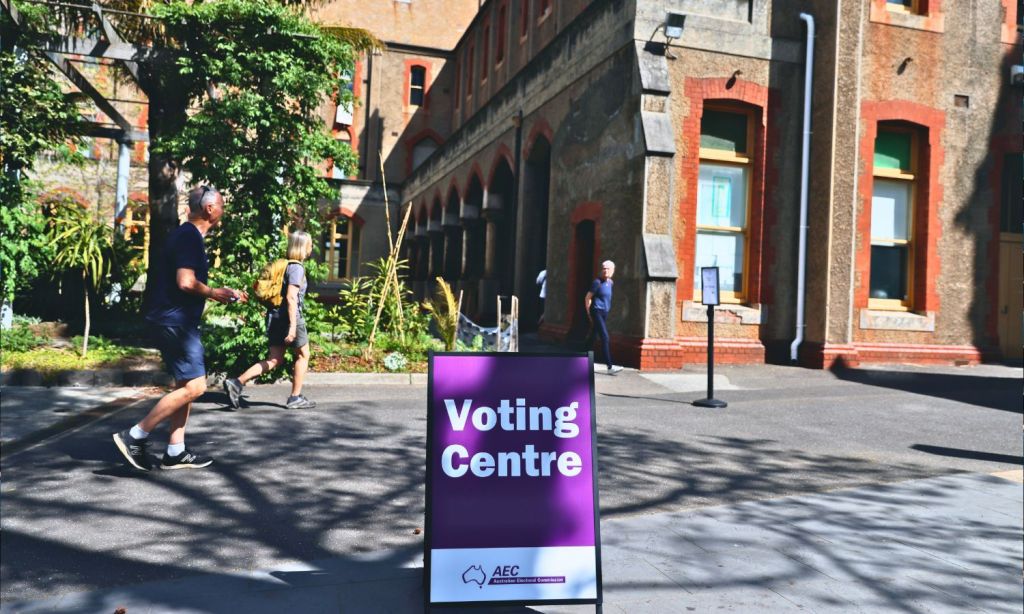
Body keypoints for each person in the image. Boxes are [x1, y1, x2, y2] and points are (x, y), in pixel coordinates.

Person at [113, 185, 247, 471]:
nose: (224, 210)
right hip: (175, 323)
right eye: (222, 204)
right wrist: (214, 292)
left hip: (171, 320)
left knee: (184, 385)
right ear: (209, 209)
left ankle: (175, 450)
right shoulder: (189, 236)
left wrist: (221, 292)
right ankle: (135, 435)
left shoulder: (185, 235)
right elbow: (185, 282)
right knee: (197, 386)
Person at [223, 231, 317, 410]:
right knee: (303, 355)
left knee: (274, 359)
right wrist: (292, 328)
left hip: (274, 316)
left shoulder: (284, 265)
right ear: (303, 247)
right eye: (310, 244)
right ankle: (295, 397)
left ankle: (237, 382)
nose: (311, 248)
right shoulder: (297, 267)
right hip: (290, 317)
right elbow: (291, 298)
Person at [585, 260, 623, 375]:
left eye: (608, 269)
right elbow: (587, 298)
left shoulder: (610, 283)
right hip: (596, 311)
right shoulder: (597, 282)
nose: (605, 271)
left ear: (613, 270)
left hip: (604, 313)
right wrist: (589, 314)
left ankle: (579, 359)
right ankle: (609, 366)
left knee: (592, 337)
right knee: (605, 337)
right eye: (604, 268)